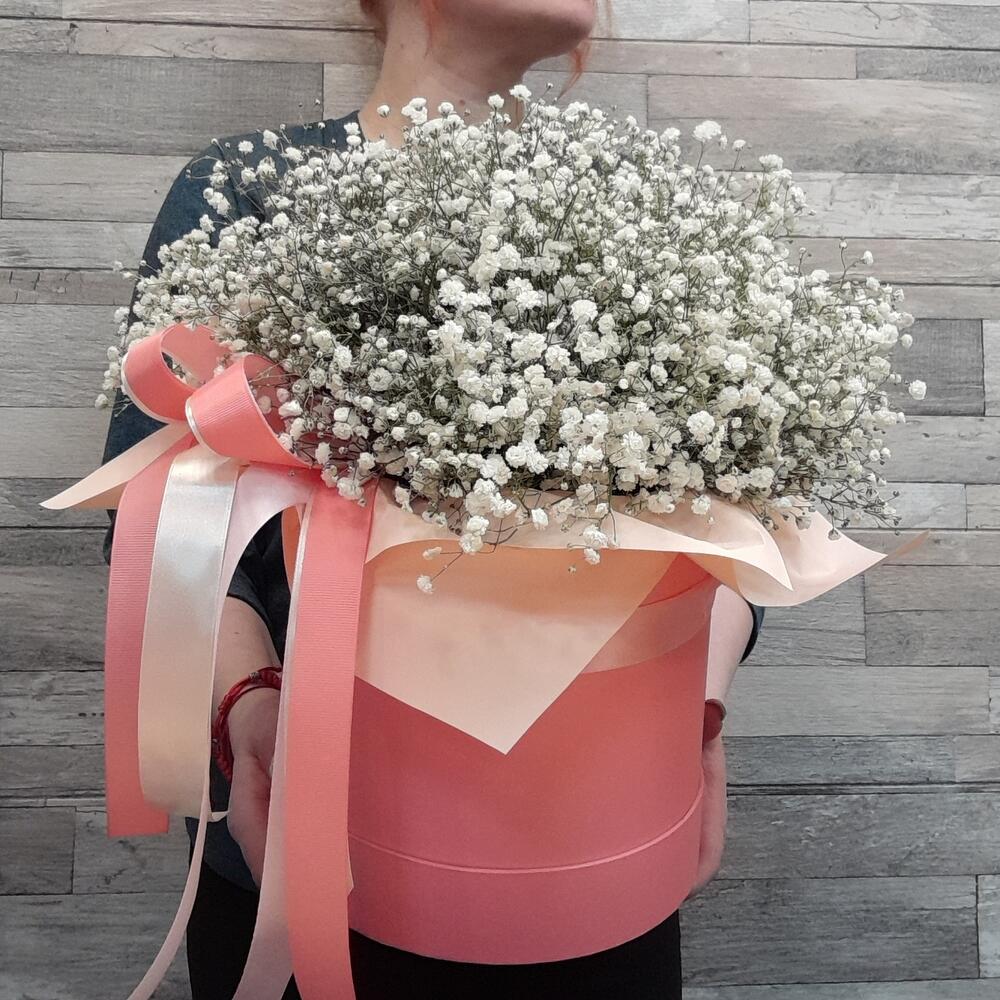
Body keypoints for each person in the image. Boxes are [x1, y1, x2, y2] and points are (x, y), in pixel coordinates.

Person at [101, 1, 765, 996]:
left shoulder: (641, 216)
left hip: (585, 839)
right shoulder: (250, 192)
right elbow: (162, 511)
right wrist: (249, 701)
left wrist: (693, 704)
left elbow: (746, 510)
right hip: (312, 847)